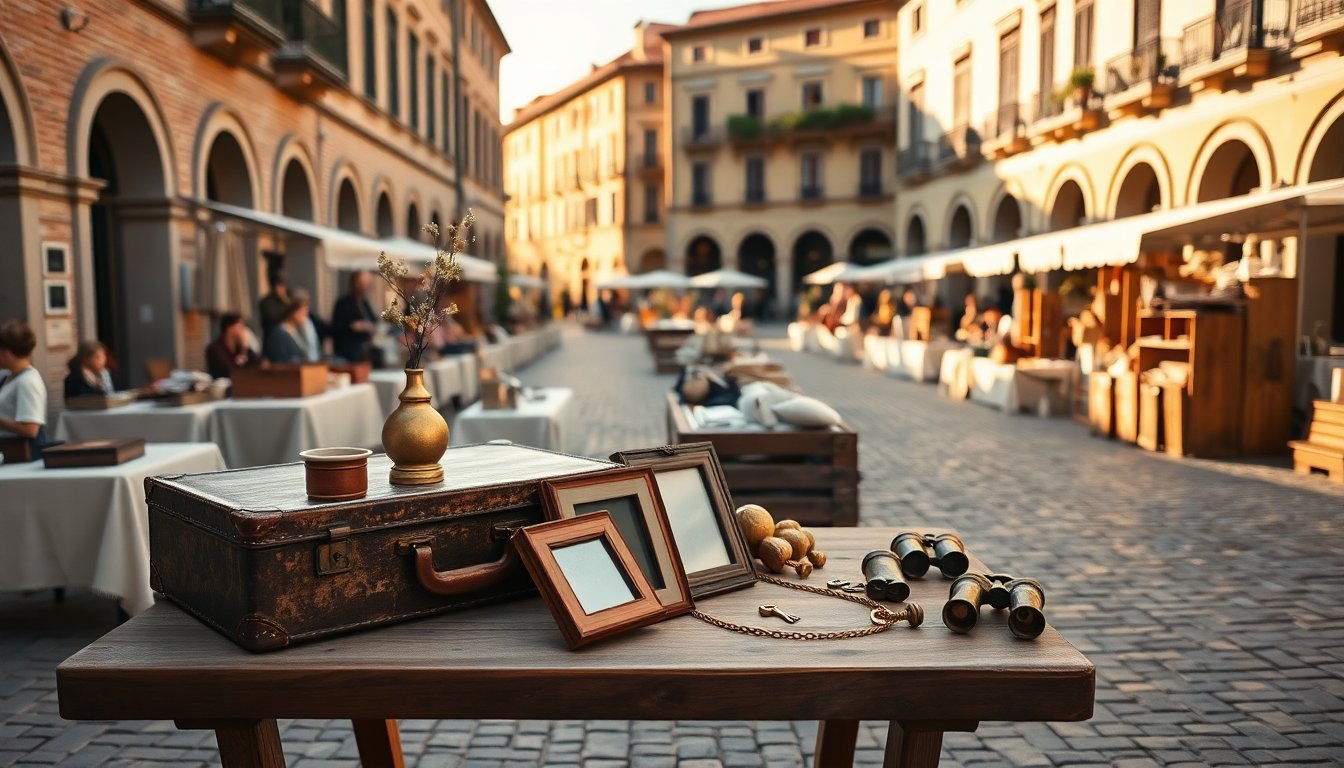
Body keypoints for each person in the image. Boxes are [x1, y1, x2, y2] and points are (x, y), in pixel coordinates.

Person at [0, 322, 47, 450]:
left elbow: (30, 430)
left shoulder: (28, 382)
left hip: (22, 454)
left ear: (7, 353)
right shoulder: (7, 376)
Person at [331, 272, 379, 364]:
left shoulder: (364, 303)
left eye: (367, 285)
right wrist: (352, 326)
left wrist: (371, 327)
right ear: (354, 284)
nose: (365, 288)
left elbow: (373, 321)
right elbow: (334, 328)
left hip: (366, 352)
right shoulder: (343, 303)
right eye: (362, 284)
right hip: (348, 354)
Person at [263, 293, 316, 364]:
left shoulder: (296, 331)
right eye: (303, 312)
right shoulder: (279, 335)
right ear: (294, 312)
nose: (306, 316)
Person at [206, 313, 262, 379]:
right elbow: (230, 372)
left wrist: (245, 347)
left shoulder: (240, 347)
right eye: (240, 327)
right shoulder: (215, 349)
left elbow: (259, 363)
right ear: (230, 329)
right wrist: (243, 351)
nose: (243, 330)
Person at [258, 267, 289, 338]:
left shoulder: (288, 298)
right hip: (272, 337)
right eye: (279, 285)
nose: (282, 288)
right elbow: (274, 319)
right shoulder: (266, 302)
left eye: (283, 285)